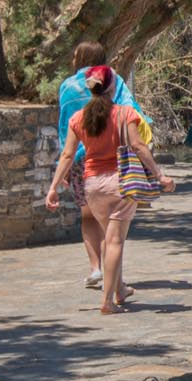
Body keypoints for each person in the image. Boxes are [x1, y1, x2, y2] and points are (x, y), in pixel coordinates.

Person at [45, 65, 170, 314]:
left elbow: (68, 155)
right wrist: (160, 175)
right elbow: (139, 146)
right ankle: (107, 301)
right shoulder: (125, 113)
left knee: (108, 237)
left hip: (93, 187)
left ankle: (119, 289)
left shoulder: (78, 118)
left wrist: (53, 187)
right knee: (114, 241)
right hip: (120, 184)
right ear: (112, 86)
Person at [56, 41, 143, 292]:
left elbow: (64, 124)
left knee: (88, 215)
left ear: (80, 58)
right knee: (112, 221)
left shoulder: (68, 86)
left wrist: (63, 167)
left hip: (79, 159)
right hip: (111, 156)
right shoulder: (113, 79)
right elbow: (131, 110)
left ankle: (96, 268)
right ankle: (113, 278)